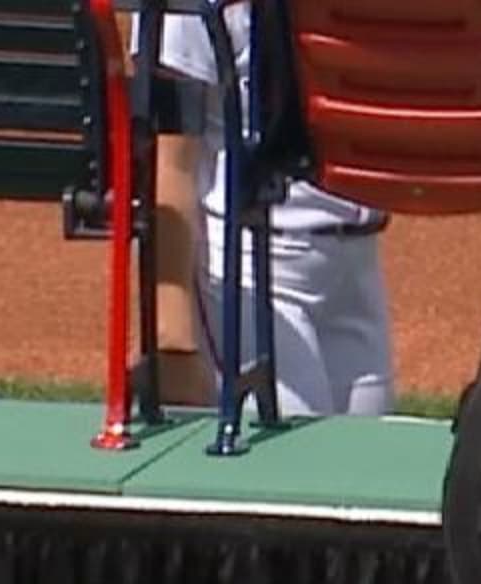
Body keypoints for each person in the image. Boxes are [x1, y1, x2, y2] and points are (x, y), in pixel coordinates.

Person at [146, 8, 395, 415]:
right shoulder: (187, 14)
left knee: (367, 463)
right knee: (289, 462)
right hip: (251, 268)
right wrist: (172, 341)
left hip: (357, 265)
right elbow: (169, 166)